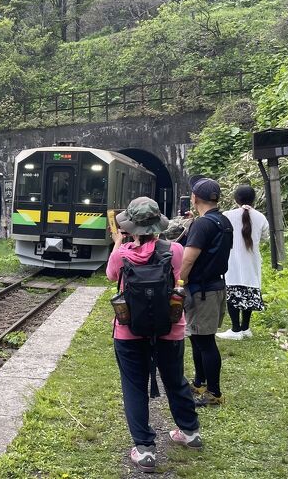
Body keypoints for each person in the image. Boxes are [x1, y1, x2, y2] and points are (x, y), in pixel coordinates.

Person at [106, 197, 201, 473]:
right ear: (157, 225)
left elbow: (112, 277)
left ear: (131, 227)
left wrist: (118, 243)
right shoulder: (175, 250)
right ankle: (190, 433)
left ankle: (145, 450)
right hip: (170, 329)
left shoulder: (121, 254)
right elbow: (179, 278)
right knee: (174, 379)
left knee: (134, 386)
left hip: (128, 331)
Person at [179, 176, 233, 407]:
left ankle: (214, 393)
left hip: (202, 291)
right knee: (198, 338)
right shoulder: (223, 221)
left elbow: (188, 259)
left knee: (205, 342)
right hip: (215, 285)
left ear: (194, 198)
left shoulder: (202, 224)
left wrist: (178, 283)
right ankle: (200, 382)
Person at [216, 185, 269, 340]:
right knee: (248, 290)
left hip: (232, 260)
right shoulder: (260, 217)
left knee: (233, 291)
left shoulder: (227, 215)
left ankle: (235, 329)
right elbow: (266, 237)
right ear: (254, 199)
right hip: (252, 261)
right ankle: (245, 328)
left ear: (236, 199)